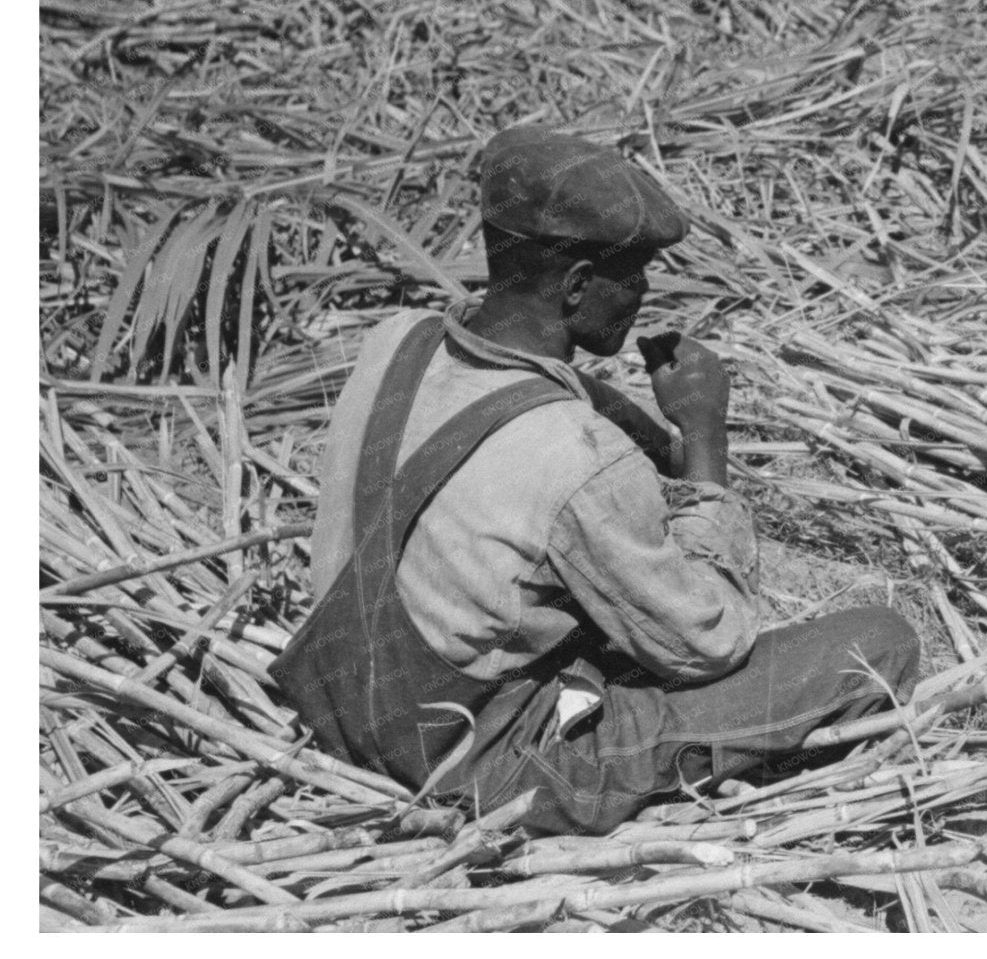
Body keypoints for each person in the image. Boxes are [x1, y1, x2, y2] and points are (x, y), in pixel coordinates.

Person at [271, 126, 921, 834]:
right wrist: (704, 439)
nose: (642, 292)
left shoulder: (396, 339)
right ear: (578, 284)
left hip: (340, 700)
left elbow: (513, 388)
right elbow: (708, 641)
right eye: (634, 273)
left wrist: (633, 425)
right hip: (481, 763)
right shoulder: (578, 457)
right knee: (879, 644)